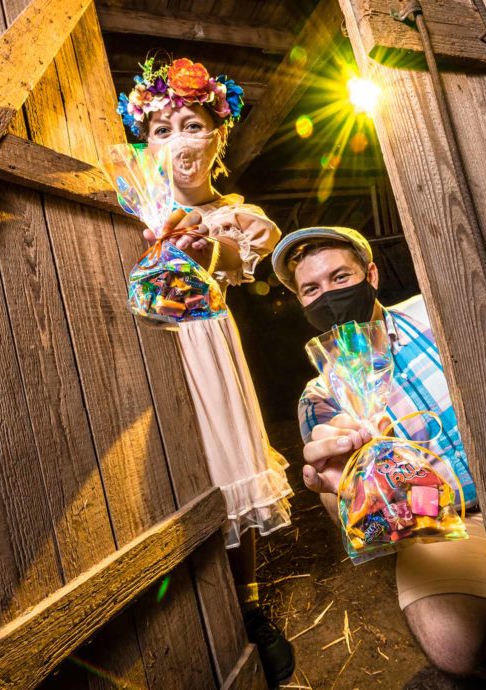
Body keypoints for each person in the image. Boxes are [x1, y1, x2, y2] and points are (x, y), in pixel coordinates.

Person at [117, 57, 295, 686]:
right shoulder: (131, 200)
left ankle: (248, 606)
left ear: (219, 134)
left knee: (230, 472)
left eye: (191, 124)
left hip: (206, 348)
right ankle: (171, 613)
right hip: (138, 350)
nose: (177, 142)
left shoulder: (236, 215)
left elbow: (241, 265)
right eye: (161, 130)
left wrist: (204, 246)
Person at [271, 226, 486, 680]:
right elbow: (338, 498)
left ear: (372, 275)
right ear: (301, 303)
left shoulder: (433, 311)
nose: (328, 295)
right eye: (311, 289)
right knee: (455, 646)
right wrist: (341, 488)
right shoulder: (319, 398)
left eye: (340, 278)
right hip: (443, 526)